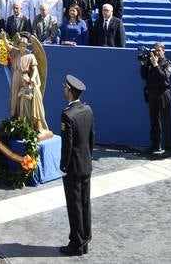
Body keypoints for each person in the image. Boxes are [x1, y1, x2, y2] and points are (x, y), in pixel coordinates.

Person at [59, 74, 94, 257]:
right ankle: (85, 239)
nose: (64, 89)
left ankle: (76, 244)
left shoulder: (67, 115)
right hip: (86, 164)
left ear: (70, 92)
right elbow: (91, 137)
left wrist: (63, 166)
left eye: (65, 87)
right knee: (85, 204)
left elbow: (68, 145)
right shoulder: (88, 110)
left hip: (73, 167)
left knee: (74, 206)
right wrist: (88, 157)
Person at [5, 34, 48, 133]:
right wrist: (3, 37)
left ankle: (25, 120)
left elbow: (35, 69)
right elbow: (7, 46)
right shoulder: (16, 52)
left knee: (24, 99)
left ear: (27, 46)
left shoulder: (31, 55)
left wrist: (33, 77)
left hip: (24, 79)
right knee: (15, 97)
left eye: (24, 46)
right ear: (18, 45)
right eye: (20, 45)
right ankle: (16, 119)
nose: (22, 47)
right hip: (16, 77)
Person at [140, 42, 171, 156]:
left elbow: (164, 77)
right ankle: (155, 144)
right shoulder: (150, 62)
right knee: (153, 120)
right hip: (152, 94)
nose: (157, 53)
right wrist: (143, 64)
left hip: (163, 93)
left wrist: (155, 65)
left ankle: (169, 148)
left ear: (164, 51)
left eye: (159, 51)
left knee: (165, 121)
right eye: (155, 51)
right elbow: (144, 76)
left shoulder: (167, 63)